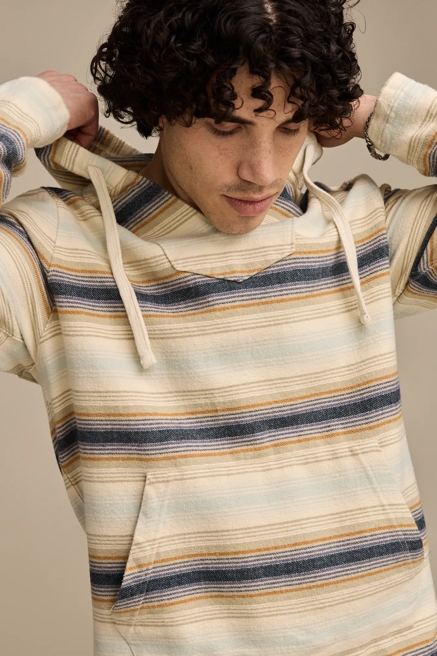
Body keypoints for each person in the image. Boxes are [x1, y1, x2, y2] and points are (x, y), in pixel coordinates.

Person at [1, 0, 437, 653]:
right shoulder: (53, 254)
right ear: (159, 103)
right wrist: (22, 111)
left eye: (289, 127)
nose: (261, 170)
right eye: (225, 126)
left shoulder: (365, 233)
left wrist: (380, 115)